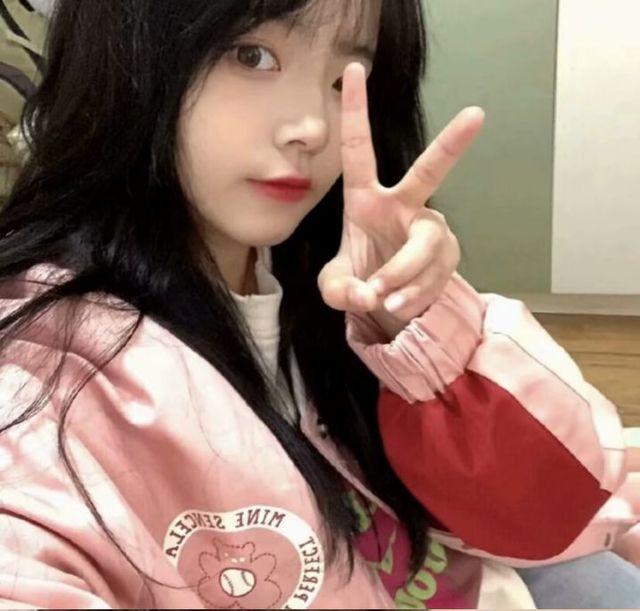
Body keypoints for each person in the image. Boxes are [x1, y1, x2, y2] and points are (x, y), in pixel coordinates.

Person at [0, 0, 638, 608]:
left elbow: (558, 511)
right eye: (252, 56)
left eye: (345, 78)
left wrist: (421, 331)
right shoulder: (46, 379)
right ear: (125, 55)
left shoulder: (322, 281)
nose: (313, 128)